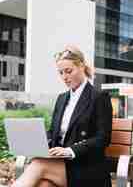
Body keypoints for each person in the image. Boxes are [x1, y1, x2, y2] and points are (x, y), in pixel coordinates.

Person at [3, 45, 112, 187]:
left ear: (81, 67)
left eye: (68, 71)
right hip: (60, 165)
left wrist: (69, 151)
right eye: (61, 73)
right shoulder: (62, 98)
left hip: (87, 167)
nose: (64, 77)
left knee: (39, 164)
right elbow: (54, 133)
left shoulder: (99, 97)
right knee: (44, 184)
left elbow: (103, 138)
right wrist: (38, 146)